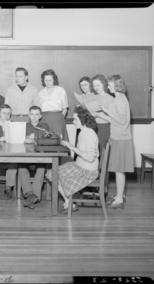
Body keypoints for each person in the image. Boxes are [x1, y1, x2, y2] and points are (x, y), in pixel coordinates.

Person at [45, 106, 100, 214]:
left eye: (75, 119)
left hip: (87, 171)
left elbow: (89, 158)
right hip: (80, 166)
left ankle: (69, 202)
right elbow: (80, 153)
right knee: (52, 173)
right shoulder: (83, 132)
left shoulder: (89, 134)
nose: (73, 122)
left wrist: (71, 147)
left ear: (83, 120)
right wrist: (67, 146)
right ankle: (68, 201)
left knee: (54, 174)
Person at [93, 75, 134, 209]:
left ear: (116, 85)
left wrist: (106, 111)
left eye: (110, 84)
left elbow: (122, 121)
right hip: (117, 137)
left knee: (119, 170)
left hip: (121, 139)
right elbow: (113, 120)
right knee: (118, 169)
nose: (108, 86)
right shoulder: (118, 98)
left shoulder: (120, 100)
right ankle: (119, 195)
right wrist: (100, 114)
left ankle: (120, 199)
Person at [18, 106, 50, 209]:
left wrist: (32, 138)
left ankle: (32, 196)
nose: (34, 117)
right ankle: (31, 194)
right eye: (32, 114)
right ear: (28, 115)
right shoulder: (24, 126)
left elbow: (46, 138)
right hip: (26, 155)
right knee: (22, 167)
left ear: (40, 116)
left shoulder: (44, 125)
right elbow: (19, 139)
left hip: (40, 156)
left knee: (41, 169)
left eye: (37, 114)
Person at [37, 69, 69, 141]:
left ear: (54, 79)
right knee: (46, 141)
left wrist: (60, 118)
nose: (48, 83)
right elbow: (38, 110)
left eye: (50, 80)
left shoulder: (61, 91)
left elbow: (65, 108)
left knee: (59, 141)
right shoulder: (40, 93)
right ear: (43, 80)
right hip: (44, 120)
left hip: (58, 121)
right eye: (46, 80)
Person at [90, 75, 114, 155]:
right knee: (94, 151)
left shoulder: (110, 98)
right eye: (94, 85)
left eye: (98, 85)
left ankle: (102, 168)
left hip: (104, 127)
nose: (96, 87)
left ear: (104, 84)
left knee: (103, 152)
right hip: (93, 126)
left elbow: (111, 118)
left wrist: (98, 115)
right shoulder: (93, 97)